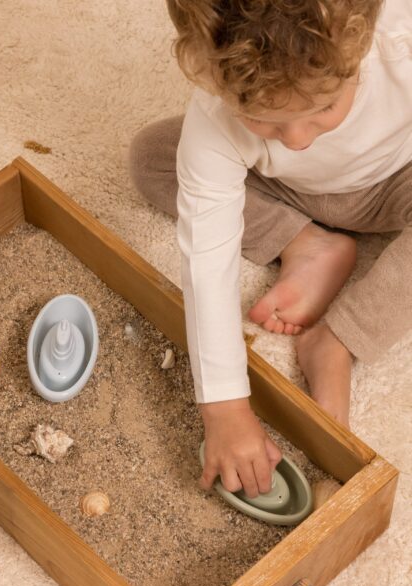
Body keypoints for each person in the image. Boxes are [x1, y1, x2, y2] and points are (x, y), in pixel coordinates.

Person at [129, 0, 411, 498]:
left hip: (394, 185)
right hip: (287, 190)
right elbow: (207, 260)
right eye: (264, 120)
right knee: (153, 156)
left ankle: (338, 341)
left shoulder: (400, 41)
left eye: (323, 109)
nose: (297, 141)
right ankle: (307, 242)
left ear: (362, 42)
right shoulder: (216, 115)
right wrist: (224, 408)